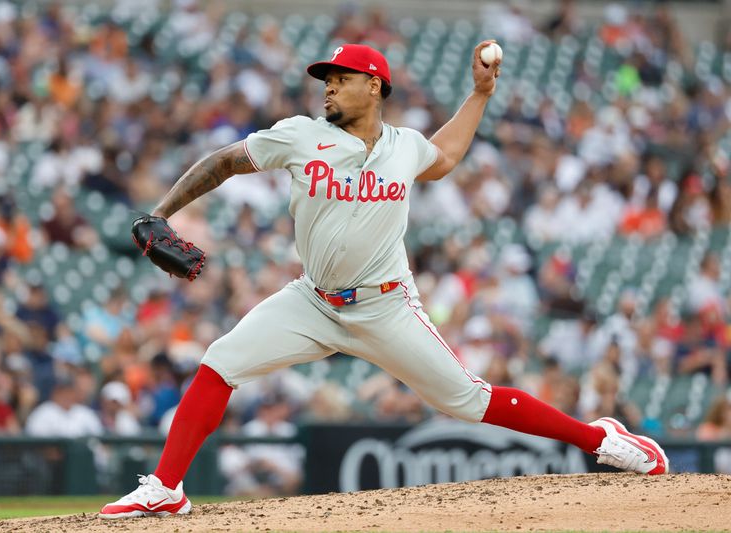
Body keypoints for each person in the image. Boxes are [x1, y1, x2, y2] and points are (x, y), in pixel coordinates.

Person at [100, 42, 668, 520]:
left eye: (339, 79)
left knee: (468, 400)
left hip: (385, 306)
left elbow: (444, 153)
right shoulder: (300, 135)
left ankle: (602, 440)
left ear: (374, 86)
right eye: (325, 80)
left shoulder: (404, 148)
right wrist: (163, 210)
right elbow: (223, 161)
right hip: (312, 299)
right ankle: (167, 489)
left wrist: (480, 95)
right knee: (220, 361)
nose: (327, 88)